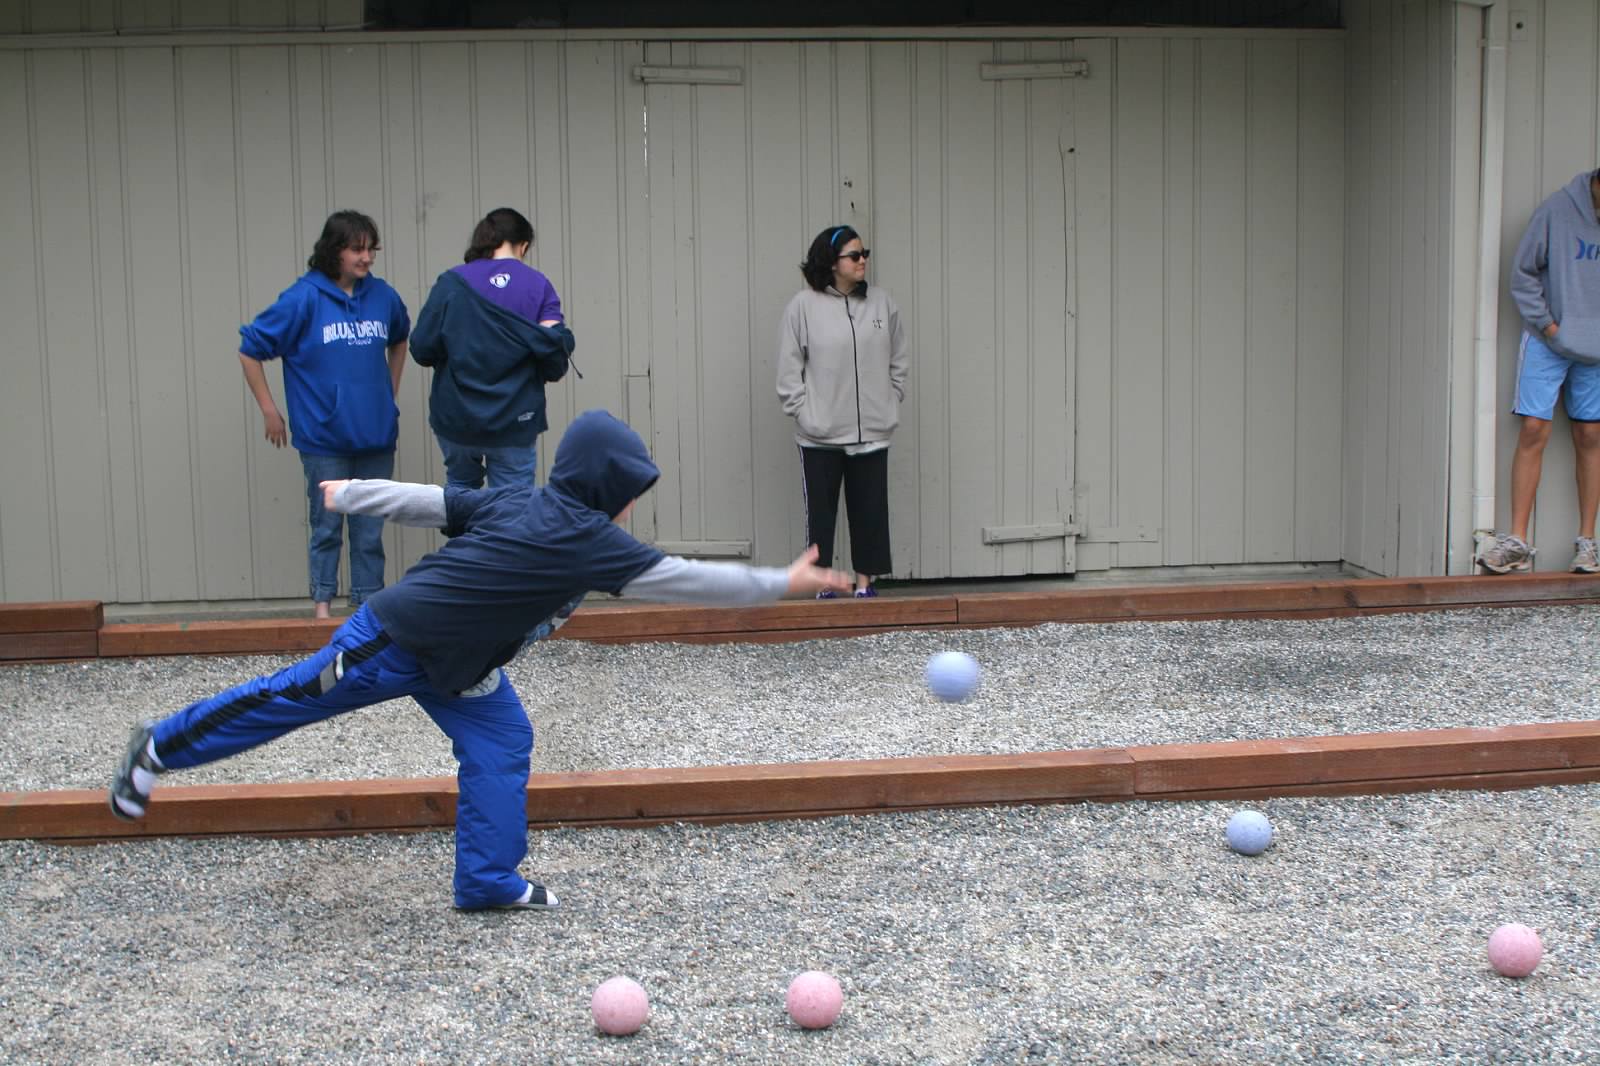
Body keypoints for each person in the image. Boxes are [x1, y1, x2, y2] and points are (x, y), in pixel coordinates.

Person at [108, 410, 851, 911]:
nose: (632, 504)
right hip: (393, 640)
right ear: (606, 487)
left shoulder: (531, 506)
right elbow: (687, 578)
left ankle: (489, 883)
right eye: (629, 489)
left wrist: (353, 492)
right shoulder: (587, 539)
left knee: (502, 742)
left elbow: (431, 501)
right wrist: (779, 583)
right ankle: (159, 744)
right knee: (287, 699)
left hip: (462, 666)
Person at [237, 209, 411, 618]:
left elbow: (401, 338)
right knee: (327, 526)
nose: (367, 258)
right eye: (357, 249)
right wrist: (270, 411)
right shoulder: (302, 299)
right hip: (323, 438)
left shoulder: (383, 296)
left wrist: (389, 392)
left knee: (369, 529)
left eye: (372, 249)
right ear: (334, 251)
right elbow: (250, 350)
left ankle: (368, 608)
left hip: (375, 434)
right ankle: (322, 609)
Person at [775, 224, 909, 598]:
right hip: (820, 434)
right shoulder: (803, 307)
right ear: (832, 263)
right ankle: (823, 586)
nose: (863, 260)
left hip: (873, 432)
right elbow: (789, 368)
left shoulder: (882, 304)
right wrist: (804, 412)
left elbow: (898, 358)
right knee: (821, 515)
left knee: (870, 511)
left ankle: (866, 584)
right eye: (854, 255)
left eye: (865, 254)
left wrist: (890, 398)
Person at [1478, 168, 1600, 575]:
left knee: (1590, 434)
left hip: (1597, 350)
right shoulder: (1557, 210)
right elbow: (1523, 273)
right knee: (1534, 428)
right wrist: (1549, 326)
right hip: (1548, 342)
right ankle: (1516, 541)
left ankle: (1587, 544)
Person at [411, 207, 573, 491]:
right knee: (512, 503)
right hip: (516, 417)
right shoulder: (538, 284)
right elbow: (553, 352)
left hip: (457, 417)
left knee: (460, 492)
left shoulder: (451, 282)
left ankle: (464, 534)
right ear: (523, 245)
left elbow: (422, 348)